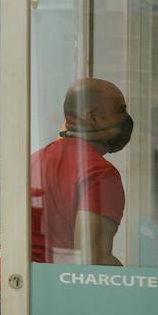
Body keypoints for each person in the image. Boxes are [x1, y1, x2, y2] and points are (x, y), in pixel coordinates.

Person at [29, 79, 131, 266]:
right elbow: (92, 260)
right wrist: (138, 286)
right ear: (92, 118)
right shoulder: (99, 173)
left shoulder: (35, 160)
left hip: (25, 286)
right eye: (120, 111)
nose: (126, 119)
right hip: (57, 288)